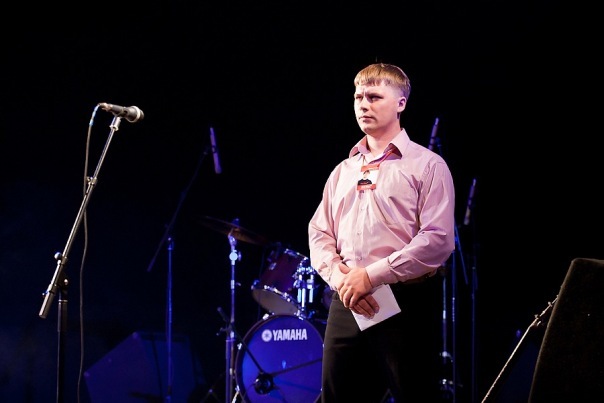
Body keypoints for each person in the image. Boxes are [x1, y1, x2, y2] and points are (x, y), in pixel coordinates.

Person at [308, 62, 456, 402]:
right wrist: (342, 278)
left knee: (415, 395)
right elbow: (319, 232)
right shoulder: (343, 171)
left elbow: (437, 239)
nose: (363, 104)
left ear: (401, 103)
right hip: (348, 300)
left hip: (405, 301)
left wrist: (371, 276)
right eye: (358, 97)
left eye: (374, 97)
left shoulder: (427, 165)